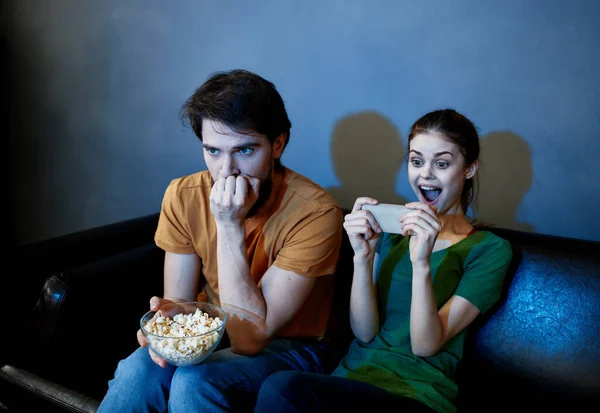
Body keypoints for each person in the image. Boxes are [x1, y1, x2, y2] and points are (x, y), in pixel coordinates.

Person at [98, 69, 344, 413]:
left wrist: (229, 226)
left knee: (195, 381)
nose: (226, 170)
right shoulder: (183, 194)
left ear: (278, 143)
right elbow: (181, 301)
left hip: (296, 346)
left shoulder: (317, 213)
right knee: (137, 370)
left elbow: (250, 339)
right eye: (213, 151)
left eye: (244, 150)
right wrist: (165, 324)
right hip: (216, 330)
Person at [253, 109, 513, 413]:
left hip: (417, 394)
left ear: (469, 169)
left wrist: (421, 264)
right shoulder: (392, 233)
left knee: (282, 389)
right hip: (353, 380)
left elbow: (425, 345)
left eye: (441, 163)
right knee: (281, 388)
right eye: (417, 161)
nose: (425, 174)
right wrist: (363, 258)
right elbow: (364, 332)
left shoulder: (489, 250)